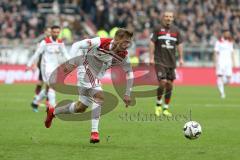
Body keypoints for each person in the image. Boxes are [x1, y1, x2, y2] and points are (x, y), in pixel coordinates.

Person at [44, 28, 134, 143]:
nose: (127, 45)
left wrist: (127, 93)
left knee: (80, 107)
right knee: (100, 96)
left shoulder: (124, 55)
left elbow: (129, 73)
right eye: (125, 41)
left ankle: (53, 112)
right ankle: (94, 133)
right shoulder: (101, 42)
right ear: (116, 39)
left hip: (96, 76)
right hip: (85, 69)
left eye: (129, 42)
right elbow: (76, 45)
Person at [27, 25, 70, 112]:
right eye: (54, 32)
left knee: (48, 88)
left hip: (55, 68)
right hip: (46, 68)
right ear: (51, 32)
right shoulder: (45, 42)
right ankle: (53, 107)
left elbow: (65, 54)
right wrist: (29, 64)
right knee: (52, 87)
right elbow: (36, 54)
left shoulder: (60, 42)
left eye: (58, 32)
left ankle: (35, 102)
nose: (56, 34)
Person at [149, 10, 184, 117]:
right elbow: (152, 42)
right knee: (162, 82)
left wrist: (181, 58)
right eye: (166, 16)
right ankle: (158, 105)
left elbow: (180, 44)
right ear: (163, 17)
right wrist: (151, 57)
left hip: (171, 62)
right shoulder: (157, 28)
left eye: (170, 16)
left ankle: (165, 108)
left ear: (173, 18)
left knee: (169, 85)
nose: (168, 18)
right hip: (160, 60)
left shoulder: (176, 30)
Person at [29, 27, 51, 112]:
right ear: (45, 32)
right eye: (48, 31)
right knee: (41, 83)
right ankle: (36, 100)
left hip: (50, 66)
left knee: (48, 85)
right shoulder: (42, 42)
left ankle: (45, 103)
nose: (50, 33)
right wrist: (34, 64)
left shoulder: (53, 42)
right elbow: (37, 54)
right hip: (42, 65)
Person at [214, 29, 235, 99]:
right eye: (227, 33)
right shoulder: (219, 42)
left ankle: (220, 84)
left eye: (229, 33)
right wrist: (216, 62)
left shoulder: (230, 42)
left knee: (229, 79)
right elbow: (216, 52)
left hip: (228, 62)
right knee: (220, 76)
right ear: (224, 34)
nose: (228, 35)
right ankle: (222, 93)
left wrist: (233, 61)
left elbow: (232, 52)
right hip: (221, 62)